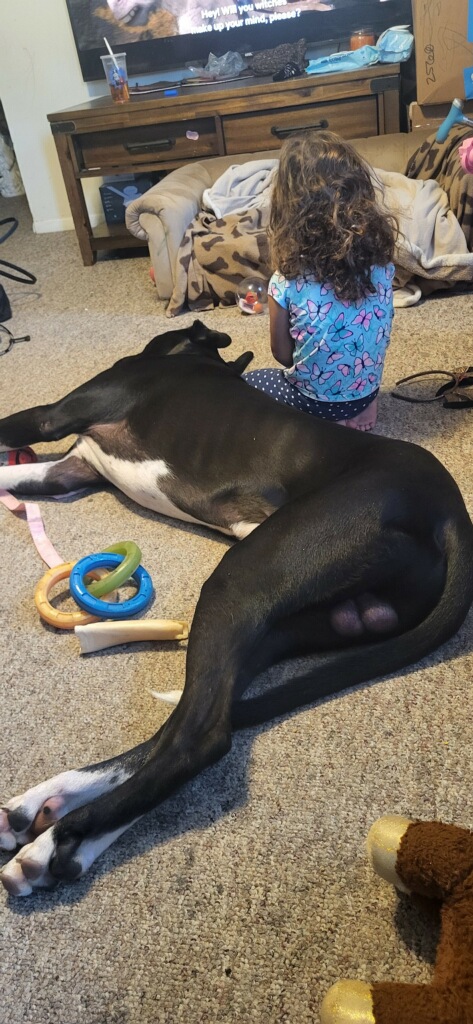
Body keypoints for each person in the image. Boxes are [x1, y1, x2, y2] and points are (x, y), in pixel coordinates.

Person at [243, 130, 397, 430]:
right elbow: (379, 334)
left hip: (313, 402)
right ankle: (361, 409)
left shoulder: (286, 281)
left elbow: (283, 356)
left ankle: (327, 421)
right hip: (366, 391)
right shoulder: (381, 266)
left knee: (246, 382)